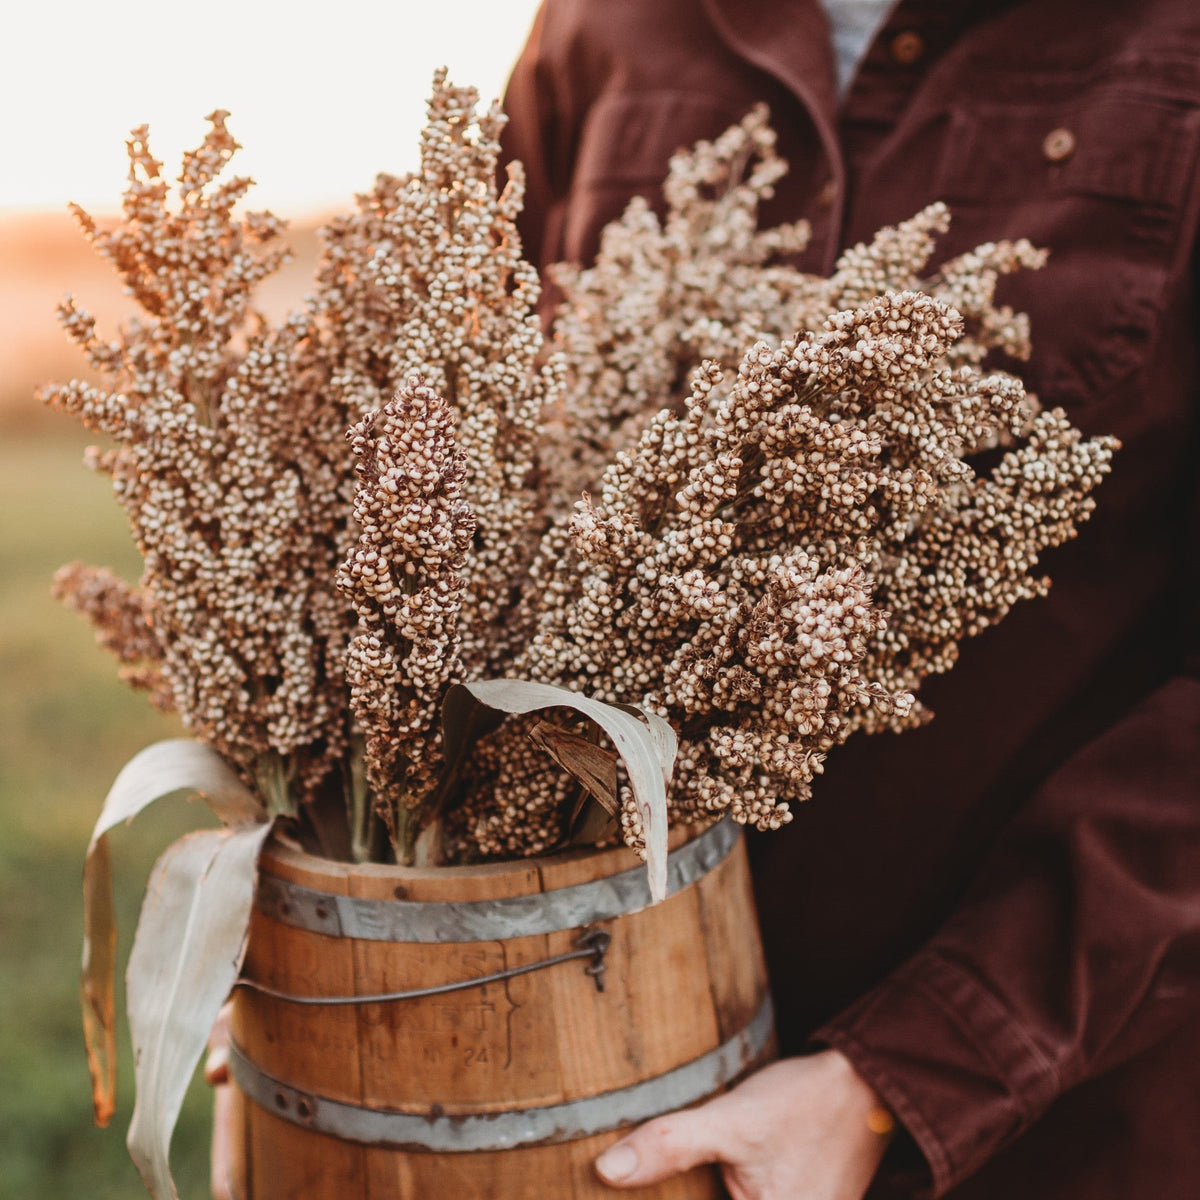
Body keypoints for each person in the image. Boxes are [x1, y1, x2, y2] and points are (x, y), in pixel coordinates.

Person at [495, 1, 1200, 1197]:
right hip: (573, 1077)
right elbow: (449, 455)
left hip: (1044, 1128)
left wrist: (897, 1077)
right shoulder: (600, 26)